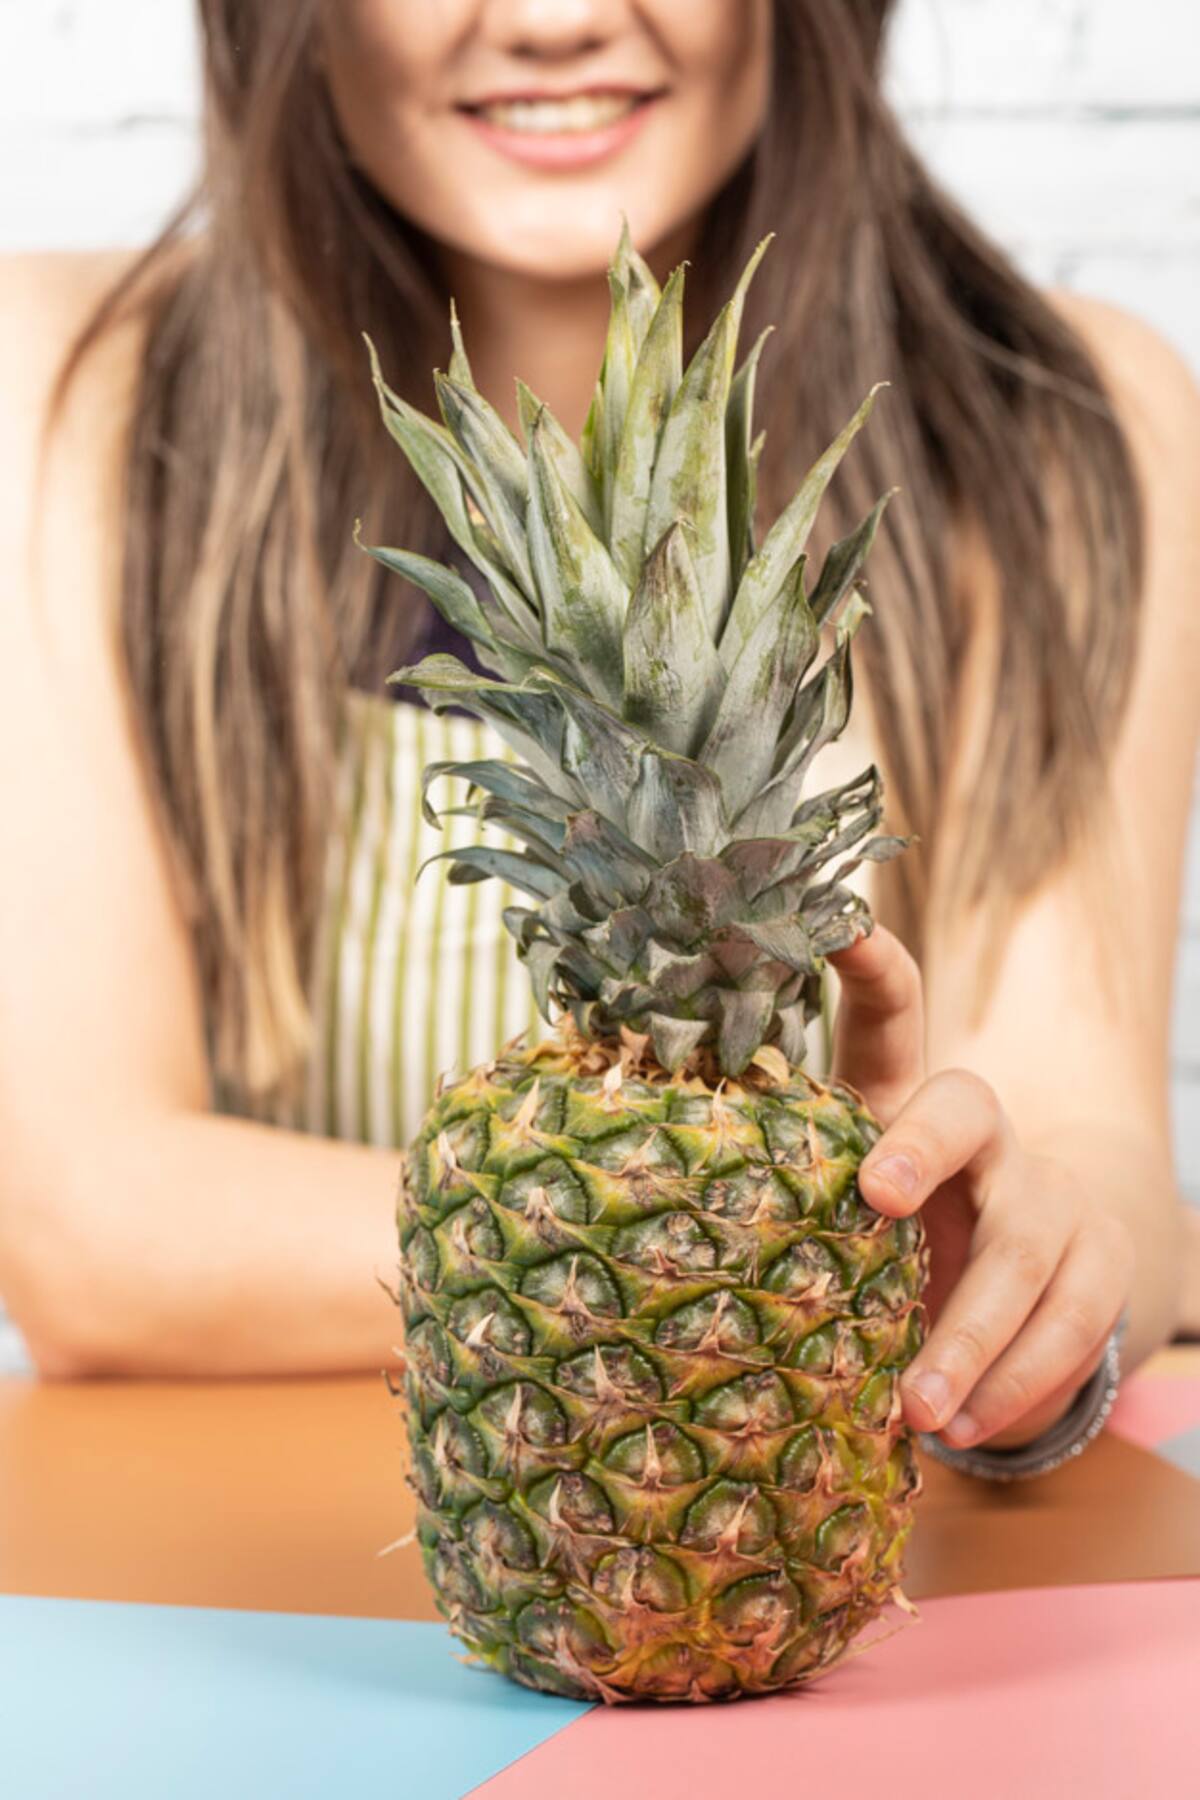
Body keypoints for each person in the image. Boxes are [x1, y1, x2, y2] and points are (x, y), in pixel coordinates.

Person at [1, 2, 1197, 1466]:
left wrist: (1032, 1286)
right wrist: (759, 1240)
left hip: (846, 1552)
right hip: (245, 1599)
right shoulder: (66, 397)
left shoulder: (1057, 427)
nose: (558, 20)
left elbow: (1094, 1139)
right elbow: (88, 1227)